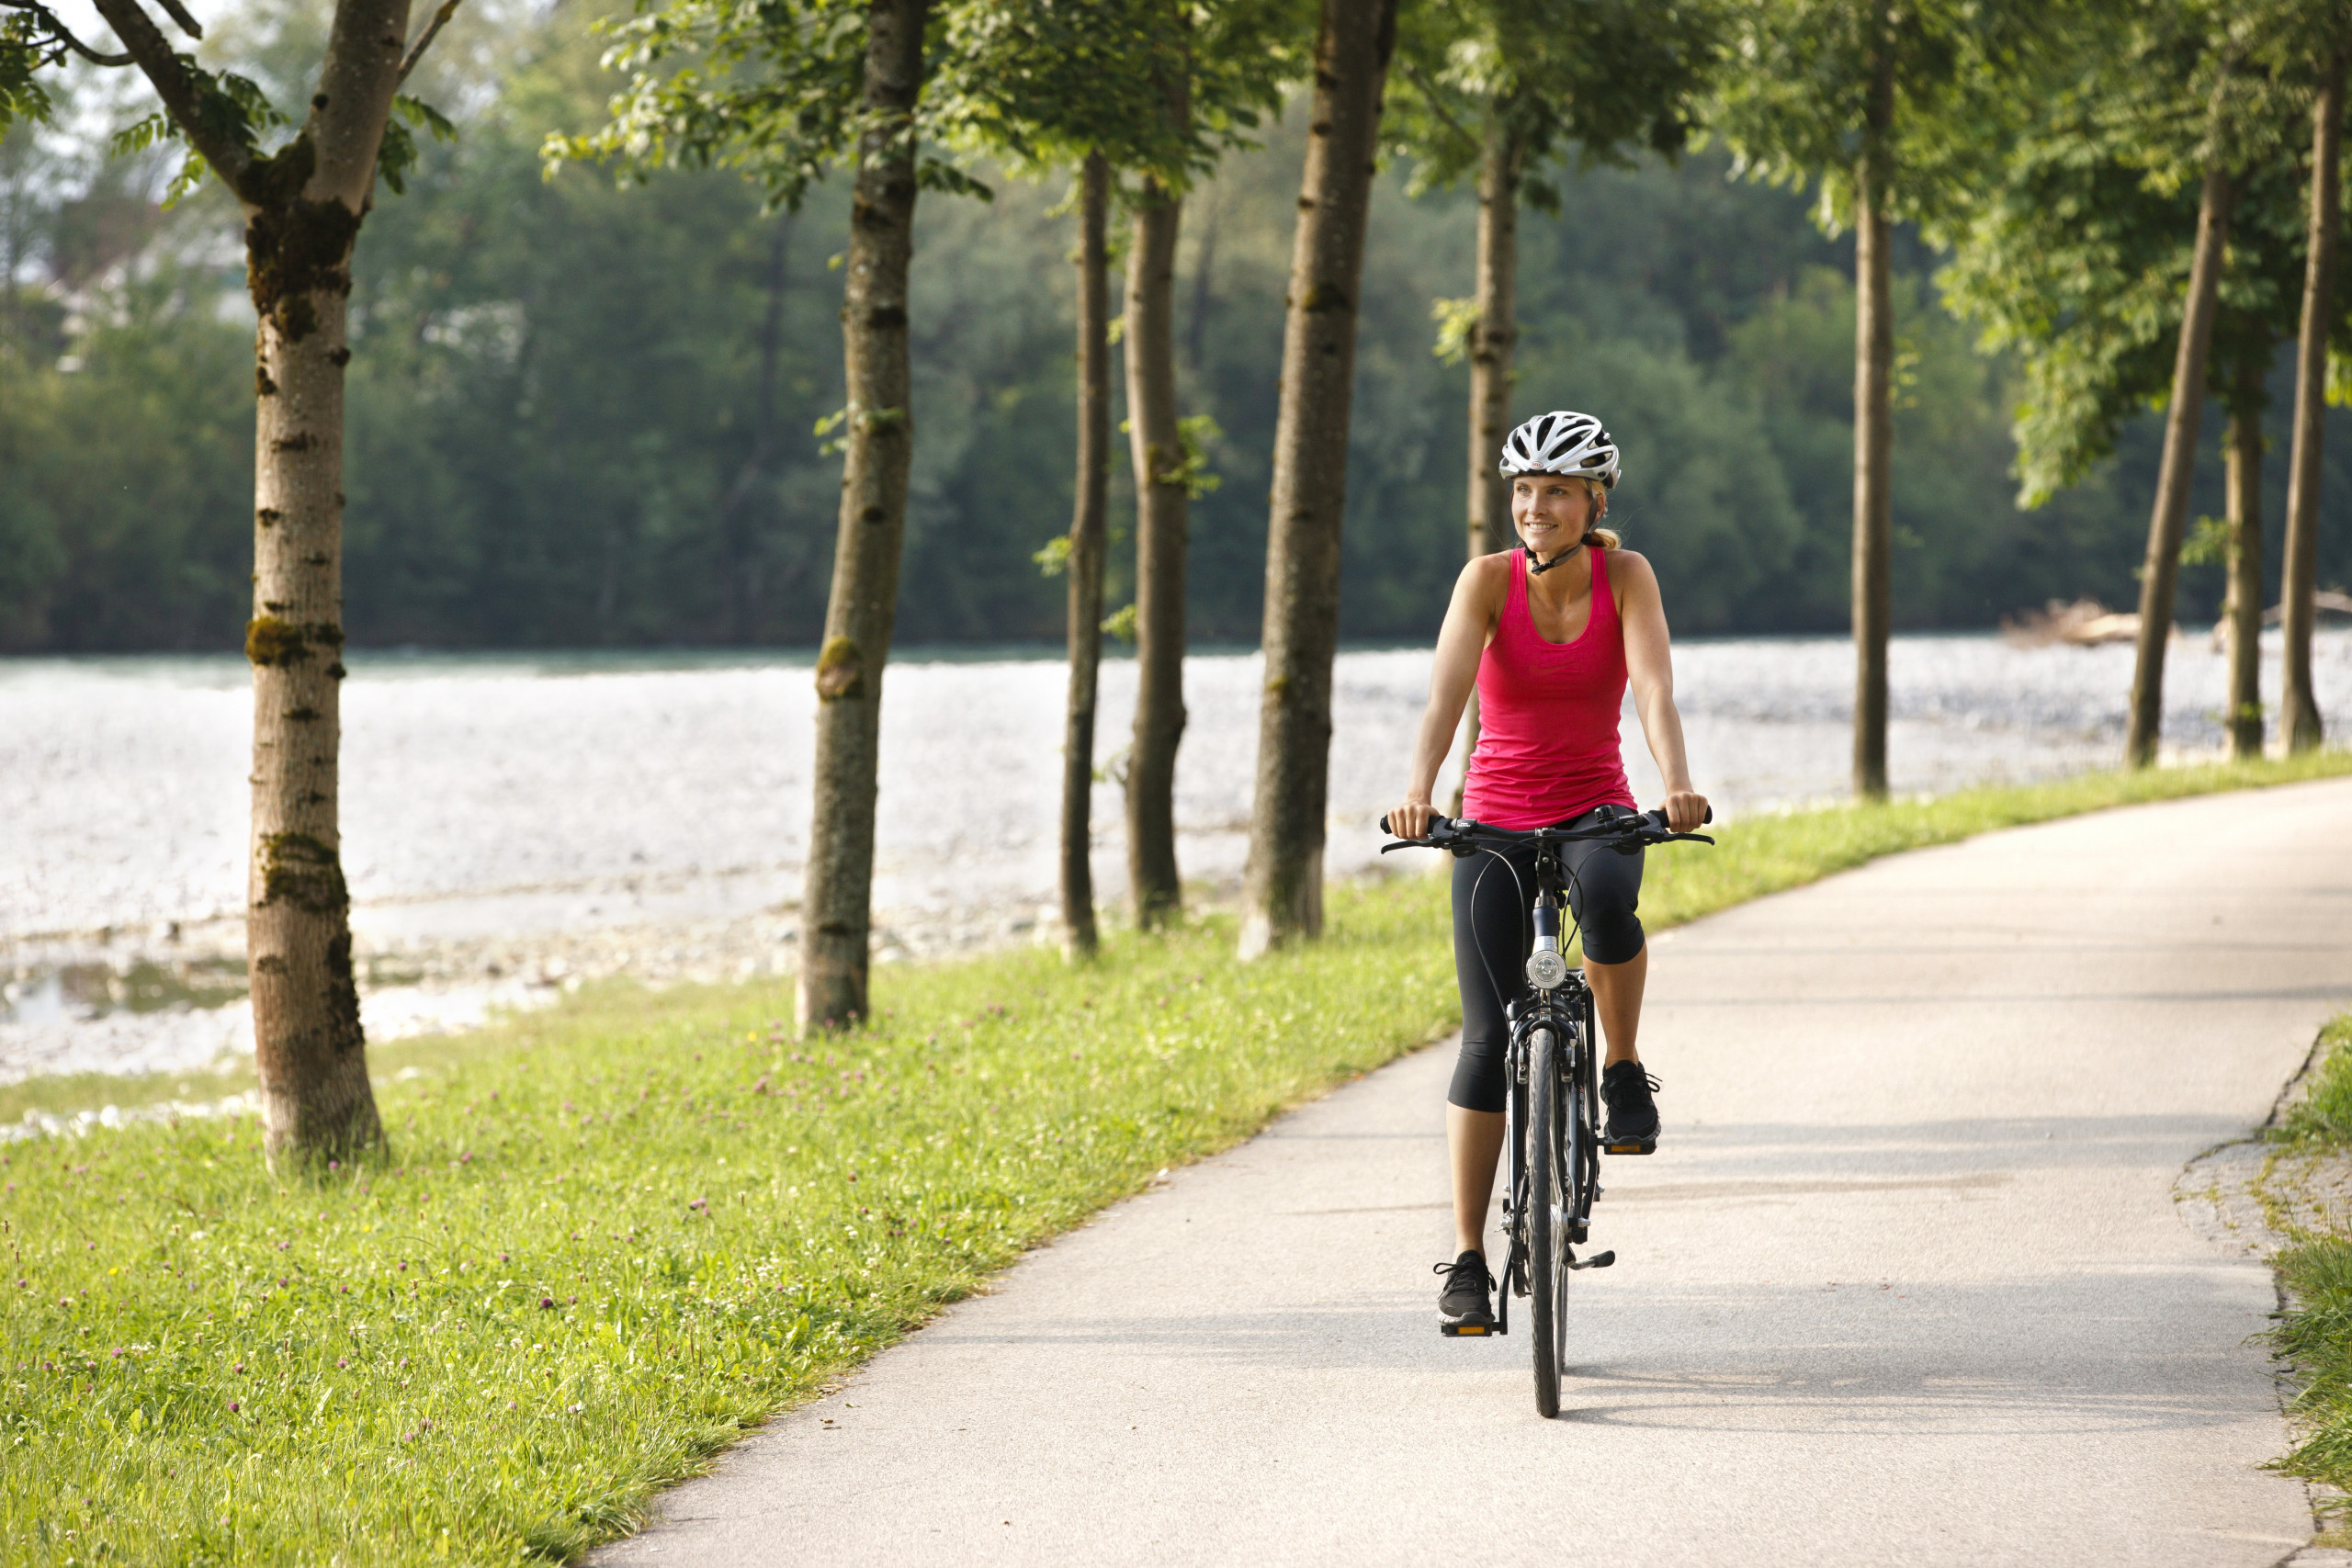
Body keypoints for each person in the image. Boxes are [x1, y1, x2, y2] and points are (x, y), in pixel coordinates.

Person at [1385, 410, 1709, 1335]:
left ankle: (1621, 1069)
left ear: (1593, 500)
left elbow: (1652, 686)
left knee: (1607, 906)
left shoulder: (1628, 576)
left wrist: (1676, 783)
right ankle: (1468, 1257)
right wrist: (1417, 793)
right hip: (1492, 816)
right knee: (1486, 1038)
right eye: (1523, 492)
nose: (1535, 508)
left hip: (1595, 808)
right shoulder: (1484, 582)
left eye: (1556, 492)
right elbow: (1446, 692)